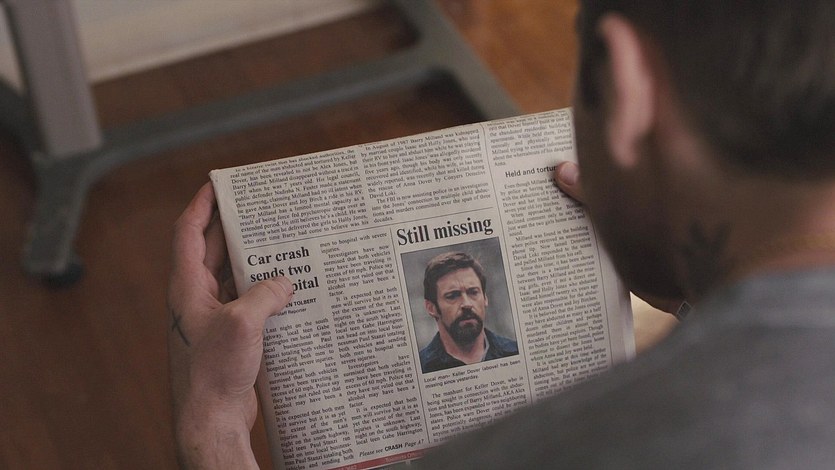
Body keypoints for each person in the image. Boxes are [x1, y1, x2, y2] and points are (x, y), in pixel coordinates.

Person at [168, 0, 835, 467]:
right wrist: (709, 299)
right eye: (452, 294)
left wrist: (213, 429)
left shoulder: (551, 449)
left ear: (629, 86)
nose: (465, 303)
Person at [417, 252, 518, 373]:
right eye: (452, 296)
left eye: (473, 292)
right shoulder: (420, 368)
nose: (467, 304)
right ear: (431, 308)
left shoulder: (515, 352)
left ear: (485, 298)